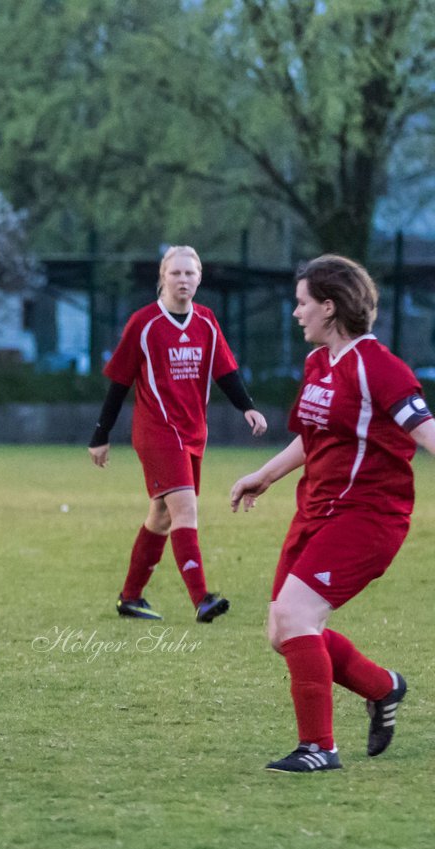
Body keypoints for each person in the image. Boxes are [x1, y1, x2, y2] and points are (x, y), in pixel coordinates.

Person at [230, 254, 430, 773]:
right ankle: (383, 688)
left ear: (329, 306)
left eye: (301, 304)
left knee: (298, 616)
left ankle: (319, 748)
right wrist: (266, 475)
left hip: (367, 517)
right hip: (316, 510)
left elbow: (426, 430)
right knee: (282, 630)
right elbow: (312, 436)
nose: (295, 313)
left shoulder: (380, 368)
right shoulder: (319, 363)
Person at [89, 245, 267, 621]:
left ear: (199, 278)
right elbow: (119, 382)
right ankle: (201, 598)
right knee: (185, 508)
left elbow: (226, 372)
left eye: (190, 273)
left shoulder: (206, 321)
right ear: (163, 277)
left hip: (192, 432)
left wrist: (247, 406)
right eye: (176, 273)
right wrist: (101, 433)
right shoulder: (144, 323)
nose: (183, 279)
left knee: (161, 516)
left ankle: (130, 597)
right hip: (157, 431)